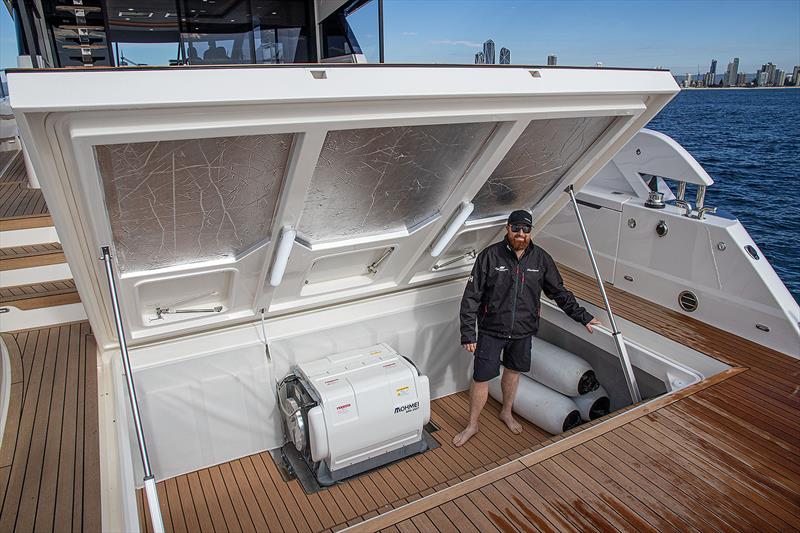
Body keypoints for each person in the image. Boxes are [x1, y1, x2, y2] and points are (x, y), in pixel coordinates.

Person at [454, 209, 601, 447]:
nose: (520, 234)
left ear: (531, 232)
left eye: (526, 229)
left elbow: (559, 293)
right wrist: (468, 333)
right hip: (492, 330)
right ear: (507, 229)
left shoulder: (541, 260)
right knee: (481, 378)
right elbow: (471, 297)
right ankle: (472, 424)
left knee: (513, 373)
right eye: (516, 229)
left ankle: (506, 412)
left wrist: (583, 317)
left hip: (523, 332)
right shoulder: (489, 257)